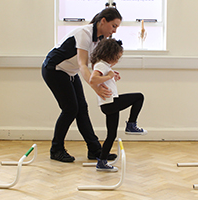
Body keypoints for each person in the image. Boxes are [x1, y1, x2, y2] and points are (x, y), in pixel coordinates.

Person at [41, 8, 122, 162]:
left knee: (82, 109)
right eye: (114, 26)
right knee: (70, 109)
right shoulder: (83, 33)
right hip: (54, 69)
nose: (114, 31)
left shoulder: (98, 40)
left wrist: (108, 73)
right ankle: (56, 149)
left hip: (69, 72)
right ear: (103, 21)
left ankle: (94, 150)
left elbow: (96, 65)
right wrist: (95, 87)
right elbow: (82, 65)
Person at [89, 38, 147, 172]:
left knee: (111, 135)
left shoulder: (103, 66)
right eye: (117, 58)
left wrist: (111, 74)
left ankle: (102, 162)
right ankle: (131, 125)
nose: (117, 61)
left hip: (108, 104)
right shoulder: (101, 65)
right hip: (111, 103)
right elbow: (92, 80)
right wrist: (109, 76)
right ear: (109, 55)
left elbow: (100, 76)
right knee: (139, 97)